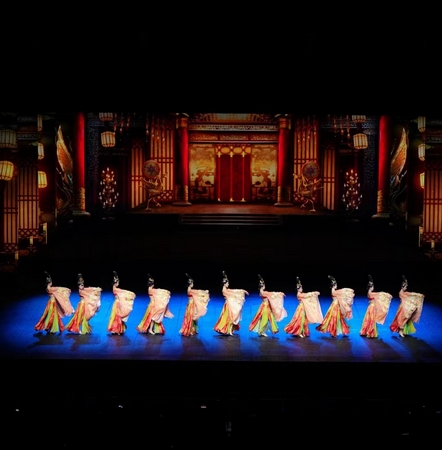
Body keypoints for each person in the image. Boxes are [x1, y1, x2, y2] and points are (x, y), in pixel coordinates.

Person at [214, 271, 249, 336]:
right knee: (230, 318)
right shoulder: (224, 290)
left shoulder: (227, 289)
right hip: (228, 306)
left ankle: (230, 330)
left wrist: (242, 290)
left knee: (231, 317)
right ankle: (229, 330)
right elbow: (232, 294)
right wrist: (239, 296)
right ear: (224, 284)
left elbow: (234, 290)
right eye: (227, 283)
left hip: (230, 305)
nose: (228, 284)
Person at [107, 271, 136, 335]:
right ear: (115, 283)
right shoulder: (115, 289)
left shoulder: (115, 288)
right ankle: (116, 330)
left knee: (117, 316)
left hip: (117, 303)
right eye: (118, 282)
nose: (118, 283)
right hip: (117, 304)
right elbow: (123, 292)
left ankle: (118, 329)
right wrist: (131, 294)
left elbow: (122, 292)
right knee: (117, 316)